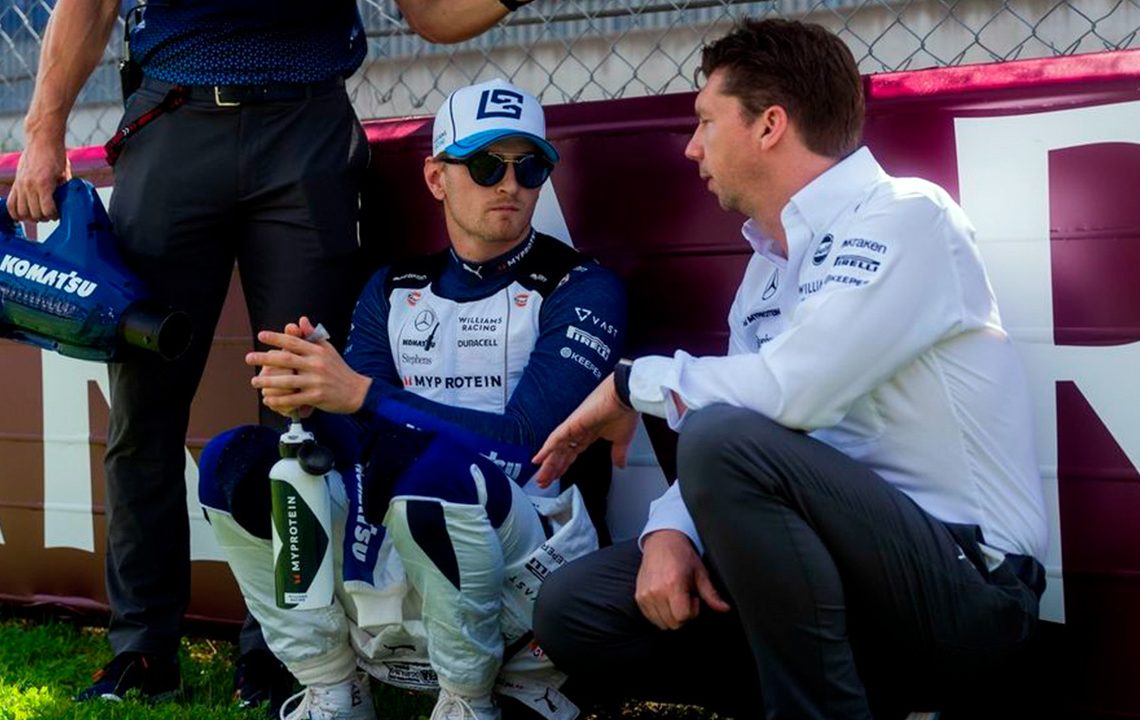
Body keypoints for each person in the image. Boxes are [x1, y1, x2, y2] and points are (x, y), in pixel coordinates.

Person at [7, 0, 538, 711]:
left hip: (305, 126)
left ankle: (287, 653)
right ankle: (142, 649)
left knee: (302, 408)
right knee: (144, 409)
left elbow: (430, 14)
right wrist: (43, 130)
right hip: (175, 116)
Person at [530, 18, 1048, 720]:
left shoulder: (908, 215)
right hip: (837, 574)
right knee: (575, 609)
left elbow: (792, 395)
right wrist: (670, 533)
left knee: (719, 439)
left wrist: (632, 383)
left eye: (706, 121)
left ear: (770, 125)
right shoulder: (767, 269)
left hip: (966, 592)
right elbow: (743, 412)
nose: (691, 147)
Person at [197, 78, 626, 720]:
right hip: (406, 535)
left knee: (437, 477)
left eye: (530, 167)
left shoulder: (582, 286)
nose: (510, 185)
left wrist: (359, 393)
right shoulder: (394, 287)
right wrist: (314, 400)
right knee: (235, 463)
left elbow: (526, 444)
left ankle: (469, 700)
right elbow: (366, 435)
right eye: (486, 165)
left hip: (532, 556)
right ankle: (332, 687)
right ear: (435, 177)